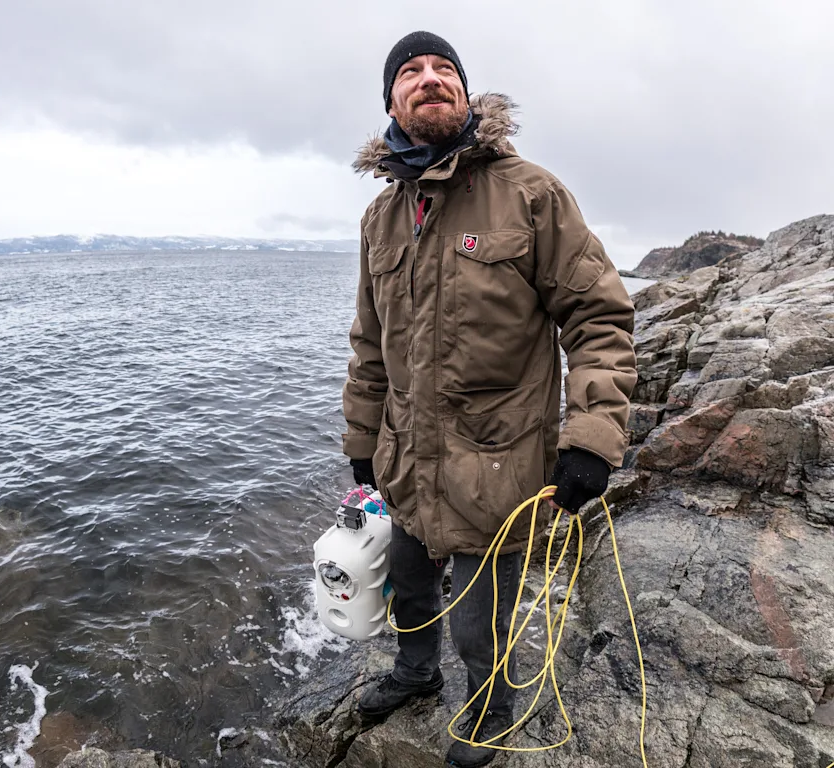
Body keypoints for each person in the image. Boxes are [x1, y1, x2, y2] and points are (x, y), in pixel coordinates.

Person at [341, 31, 637, 768]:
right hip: (406, 458)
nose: (430, 78)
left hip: (497, 463)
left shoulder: (531, 193)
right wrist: (362, 440)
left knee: (481, 620)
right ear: (391, 103)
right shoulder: (380, 217)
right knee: (410, 589)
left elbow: (599, 318)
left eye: (445, 69)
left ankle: (490, 708)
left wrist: (591, 438)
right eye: (411, 72)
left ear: (467, 94)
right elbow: (370, 343)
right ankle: (416, 673)